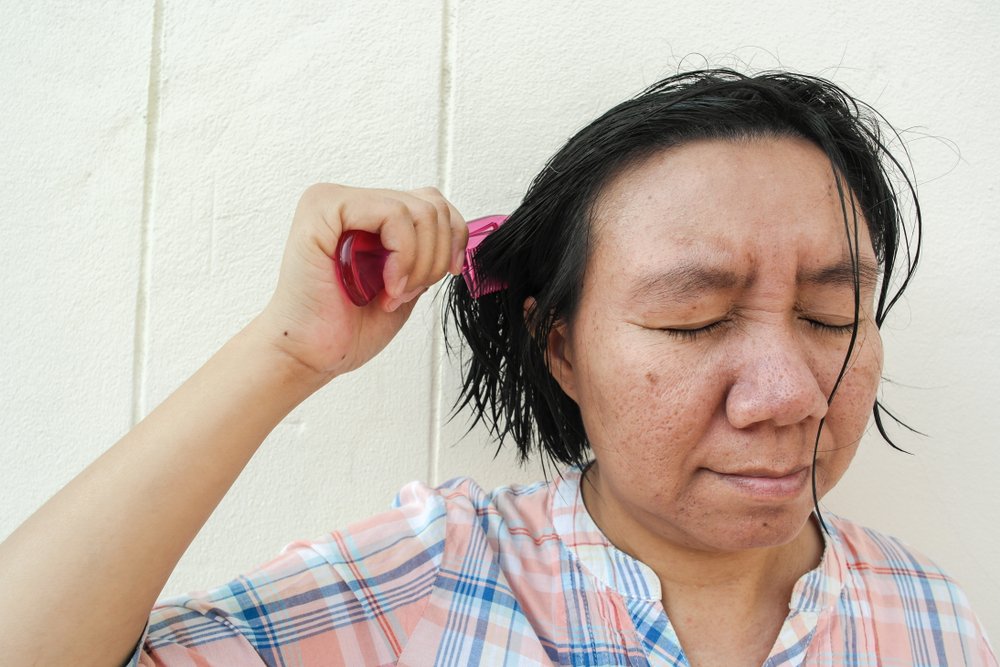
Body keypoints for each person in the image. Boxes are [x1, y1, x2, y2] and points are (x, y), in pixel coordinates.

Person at [0, 69, 995, 666]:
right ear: (558, 343)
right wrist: (286, 351)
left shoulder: (928, 614)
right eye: (694, 320)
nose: (787, 394)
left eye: (831, 313)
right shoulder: (435, 577)